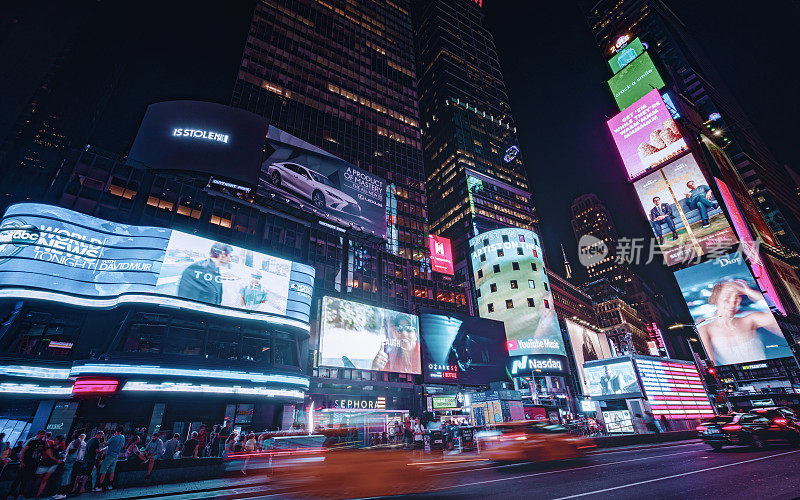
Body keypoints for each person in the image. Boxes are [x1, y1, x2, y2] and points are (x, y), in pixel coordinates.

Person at [697, 279, 786, 366]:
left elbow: (779, 310)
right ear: (715, 300)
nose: (732, 303)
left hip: (769, 373)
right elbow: (710, 365)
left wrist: (747, 291)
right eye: (727, 298)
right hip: (736, 378)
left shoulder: (750, 320)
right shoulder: (705, 330)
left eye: (737, 297)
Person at [6, 430, 47, 499]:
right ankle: (10, 493)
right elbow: (23, 451)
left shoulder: (43, 443)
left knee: (26, 479)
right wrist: (22, 462)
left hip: (34, 463)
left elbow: (45, 449)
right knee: (19, 478)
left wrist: (45, 440)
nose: (42, 436)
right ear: (38, 434)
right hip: (26, 462)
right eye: (41, 434)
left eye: (44, 434)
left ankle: (20, 494)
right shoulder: (32, 441)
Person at [53, 433, 82, 500]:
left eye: (75, 433)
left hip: (70, 460)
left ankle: (63, 493)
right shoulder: (75, 441)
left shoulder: (77, 441)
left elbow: (73, 449)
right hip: (68, 460)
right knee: (63, 477)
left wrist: (69, 454)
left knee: (65, 477)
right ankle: (59, 493)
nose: (73, 434)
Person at [96, 426, 125, 491]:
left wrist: (103, 439)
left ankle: (100, 486)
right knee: (112, 471)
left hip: (109, 455)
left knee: (104, 470)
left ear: (116, 430)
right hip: (116, 456)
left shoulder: (113, 438)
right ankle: (110, 485)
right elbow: (122, 446)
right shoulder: (123, 437)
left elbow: (106, 444)